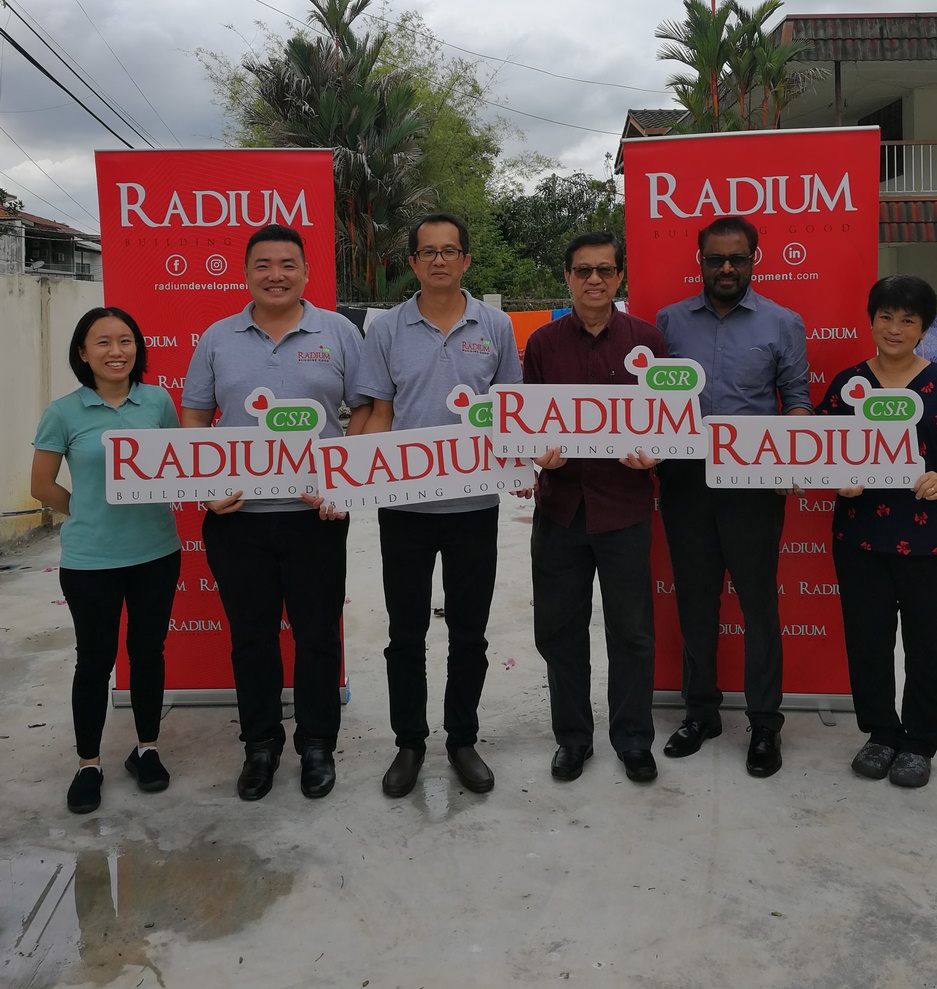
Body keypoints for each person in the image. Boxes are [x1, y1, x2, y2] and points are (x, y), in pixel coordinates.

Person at [180, 224, 369, 802]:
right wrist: (205, 487)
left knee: (318, 637)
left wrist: (345, 482)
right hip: (237, 519)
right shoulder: (217, 338)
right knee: (251, 639)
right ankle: (260, 745)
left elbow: (366, 409)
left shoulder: (339, 332)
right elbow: (195, 418)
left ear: (306, 273)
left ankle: (317, 745)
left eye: (288, 264)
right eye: (263, 264)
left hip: (316, 518)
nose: (276, 275)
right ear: (246, 274)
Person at [356, 212, 521, 798]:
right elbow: (378, 412)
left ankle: (462, 739)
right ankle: (409, 742)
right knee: (405, 633)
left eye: (450, 250)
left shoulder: (496, 326)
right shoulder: (386, 330)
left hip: (474, 507)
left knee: (469, 634)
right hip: (404, 508)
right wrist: (354, 478)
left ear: (466, 260)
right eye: (428, 252)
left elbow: (510, 411)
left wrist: (523, 466)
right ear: (413, 263)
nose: (440, 260)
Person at [656, 215, 810, 778]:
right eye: (715, 258)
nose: (726, 268)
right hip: (685, 482)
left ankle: (765, 723)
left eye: (737, 259)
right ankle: (702, 713)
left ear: (753, 260)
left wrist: (793, 453)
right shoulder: (669, 323)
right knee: (696, 603)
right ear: (699, 261)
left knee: (759, 606)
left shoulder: (782, 322)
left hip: (754, 486)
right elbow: (651, 403)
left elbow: (796, 398)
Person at [817, 275, 937, 789]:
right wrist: (838, 479)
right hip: (860, 539)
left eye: (908, 320)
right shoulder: (848, 384)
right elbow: (821, 449)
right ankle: (880, 734)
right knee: (867, 642)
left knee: (931, 644)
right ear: (870, 321)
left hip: (931, 539)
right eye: (885, 316)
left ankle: (920, 743)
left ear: (924, 328)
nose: (894, 328)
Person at [524, 231, 665, 785]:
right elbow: (527, 422)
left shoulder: (648, 341)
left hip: (624, 507)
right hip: (560, 508)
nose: (594, 280)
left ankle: (633, 738)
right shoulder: (542, 344)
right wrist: (537, 454)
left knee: (632, 632)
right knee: (560, 631)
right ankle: (573, 738)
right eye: (583, 270)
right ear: (567, 277)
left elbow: (667, 421)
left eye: (605, 270)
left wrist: (655, 454)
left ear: (619, 276)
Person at [31, 307, 182, 815]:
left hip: (156, 553)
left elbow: (178, 468)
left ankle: (147, 750)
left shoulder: (157, 401)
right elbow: (41, 485)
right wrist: (87, 508)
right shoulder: (63, 412)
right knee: (95, 661)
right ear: (83, 352)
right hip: (90, 560)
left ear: (137, 348)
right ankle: (88, 764)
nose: (116, 351)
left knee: (148, 653)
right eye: (102, 342)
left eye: (125, 340)